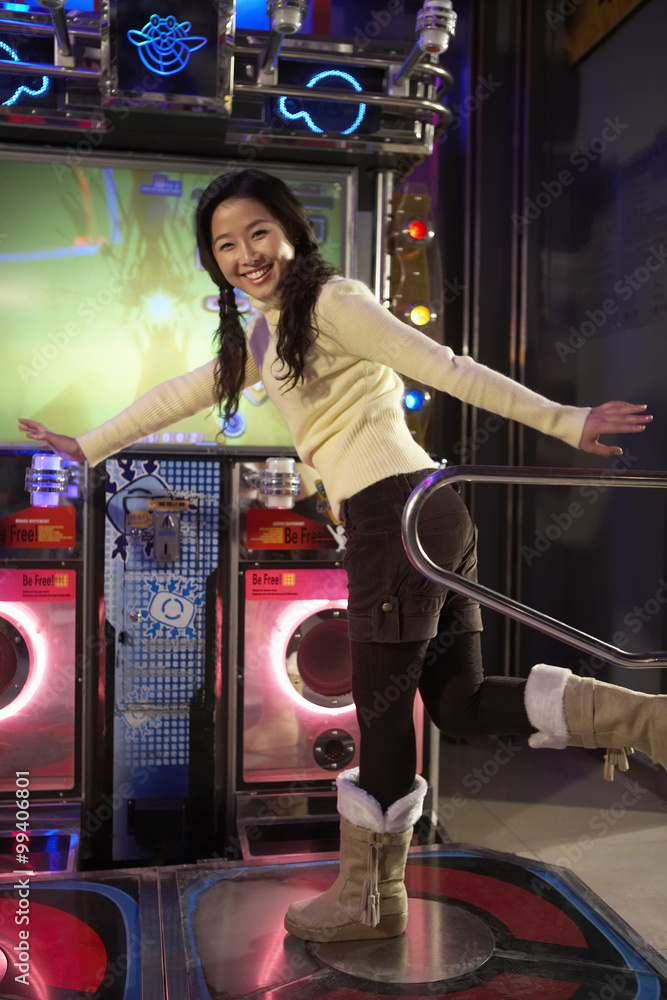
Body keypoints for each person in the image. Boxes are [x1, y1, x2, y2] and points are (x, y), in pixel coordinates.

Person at [19, 168, 664, 944]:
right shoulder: (269, 327)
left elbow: (445, 367)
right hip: (420, 512)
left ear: (292, 230)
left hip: (397, 513)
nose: (244, 253)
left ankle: (367, 902)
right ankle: (643, 721)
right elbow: (185, 392)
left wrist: (564, 419)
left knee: (383, 721)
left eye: (257, 232)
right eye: (225, 244)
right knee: (452, 706)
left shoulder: (332, 303)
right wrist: (86, 445)